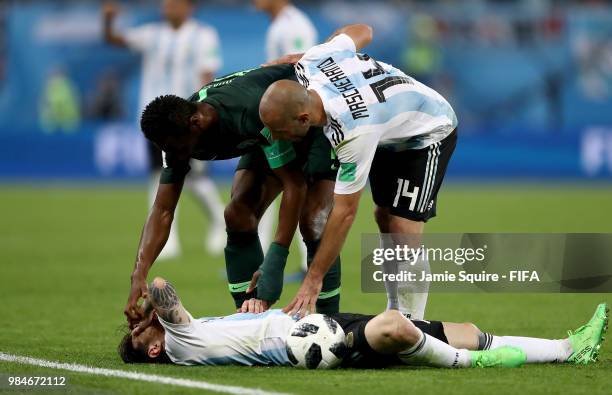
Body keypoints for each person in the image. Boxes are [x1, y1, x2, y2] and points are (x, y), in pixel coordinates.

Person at [259, 24, 458, 319]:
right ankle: (395, 312)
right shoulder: (313, 61)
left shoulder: (353, 132)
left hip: (427, 131)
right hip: (387, 130)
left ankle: (415, 325)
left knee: (403, 228)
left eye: (279, 130)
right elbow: (363, 30)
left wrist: (313, 280)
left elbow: (345, 212)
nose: (275, 137)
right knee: (383, 216)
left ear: (303, 118)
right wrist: (313, 52)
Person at [123, 65, 341, 330]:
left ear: (197, 123)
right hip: (266, 135)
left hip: (305, 117)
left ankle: (332, 322)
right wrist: (140, 272)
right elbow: (163, 209)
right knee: (237, 214)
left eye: (178, 148)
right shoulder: (176, 136)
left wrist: (276, 259)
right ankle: (248, 318)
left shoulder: (247, 112)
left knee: (313, 220)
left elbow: (294, 185)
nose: (175, 156)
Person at [118, 277, 608, 369]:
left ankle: (567, 348)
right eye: (142, 333)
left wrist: (254, 312)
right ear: (155, 348)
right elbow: (162, 286)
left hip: (306, 324)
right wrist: (144, 300)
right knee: (396, 325)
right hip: (309, 345)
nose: (144, 325)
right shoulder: (178, 340)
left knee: (461, 326)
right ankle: (463, 365)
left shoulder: (190, 335)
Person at [102, 0, 226, 258]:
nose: (167, 7)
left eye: (173, 3)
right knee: (159, 175)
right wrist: (108, 20)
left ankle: (220, 221)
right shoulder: (152, 34)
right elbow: (114, 40)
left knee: (195, 179)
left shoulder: (203, 35)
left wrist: (201, 114)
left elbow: (207, 75)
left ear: (188, 6)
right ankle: (167, 240)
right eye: (165, 3)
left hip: (187, 120)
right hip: (157, 121)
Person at [253, 0, 318, 279]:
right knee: (274, 185)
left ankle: (308, 264)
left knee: (297, 186)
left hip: (293, 118)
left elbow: (302, 69)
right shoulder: (281, 23)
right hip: (283, 116)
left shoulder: (294, 25)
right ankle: (265, 257)